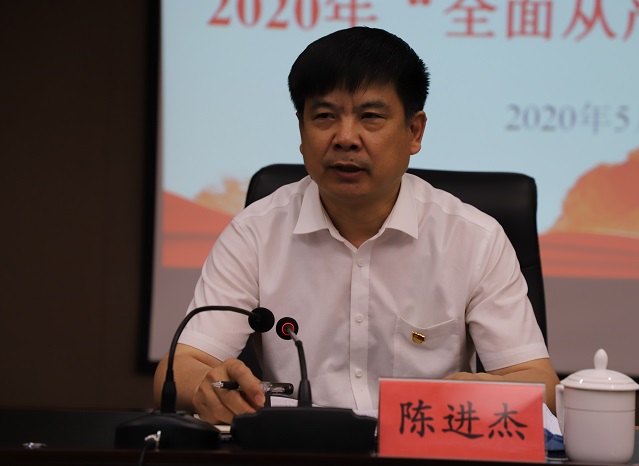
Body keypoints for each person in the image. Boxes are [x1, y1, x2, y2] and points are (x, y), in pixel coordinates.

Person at [154, 26, 559, 425]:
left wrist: (476, 392)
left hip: (422, 448)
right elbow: (179, 369)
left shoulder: (474, 238)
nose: (345, 138)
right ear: (301, 130)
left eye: (370, 117)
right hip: (299, 452)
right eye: (324, 117)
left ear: (414, 131)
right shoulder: (254, 234)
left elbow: (540, 384)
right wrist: (209, 387)